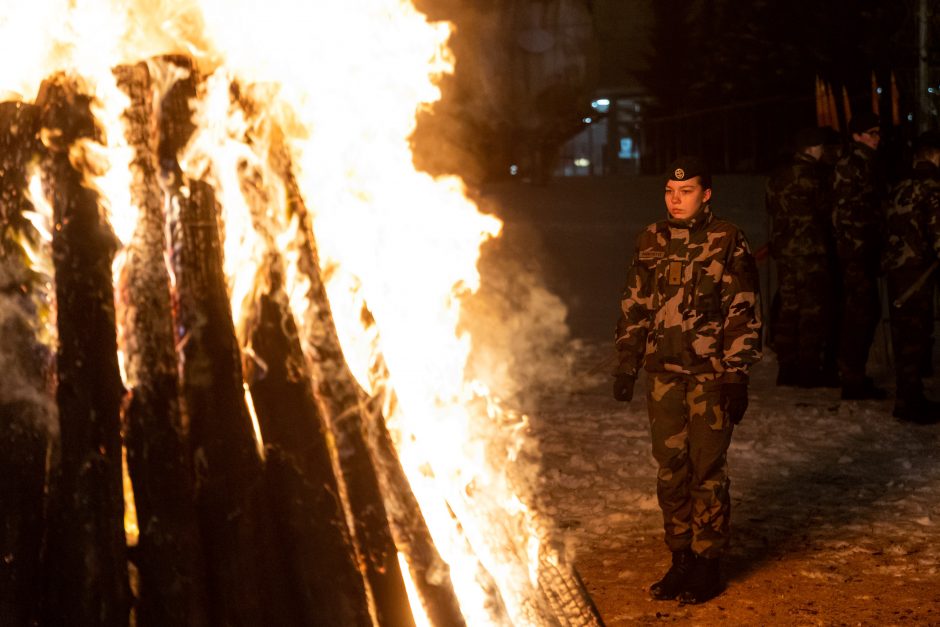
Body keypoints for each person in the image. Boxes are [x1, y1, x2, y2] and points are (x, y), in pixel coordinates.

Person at [612, 157, 762, 605]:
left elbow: (744, 309)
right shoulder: (652, 238)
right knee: (670, 470)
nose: (676, 200)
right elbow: (635, 303)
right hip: (663, 375)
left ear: (707, 194)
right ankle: (680, 558)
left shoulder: (727, 240)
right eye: (670, 192)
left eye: (687, 191)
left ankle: (708, 562)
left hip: (710, 377)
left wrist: (737, 373)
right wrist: (626, 360)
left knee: (708, 471)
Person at [766, 127, 838, 387]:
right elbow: (825, 210)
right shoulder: (815, 176)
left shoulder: (777, 176)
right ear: (812, 148)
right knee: (812, 310)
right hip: (810, 251)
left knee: (788, 307)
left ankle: (786, 367)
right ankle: (809, 369)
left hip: (784, 250)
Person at [883, 131, 940, 424]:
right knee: (916, 335)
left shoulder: (901, 186)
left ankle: (908, 394)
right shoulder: (932, 188)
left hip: (897, 269)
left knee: (904, 333)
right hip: (919, 271)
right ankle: (909, 401)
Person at [831, 111, 887, 400]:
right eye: (872, 133)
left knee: (865, 311)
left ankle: (854, 373)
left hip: (863, 248)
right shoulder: (854, 164)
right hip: (856, 251)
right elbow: (850, 212)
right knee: (860, 313)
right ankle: (851, 376)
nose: (877, 139)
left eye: (878, 133)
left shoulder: (866, 162)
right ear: (857, 136)